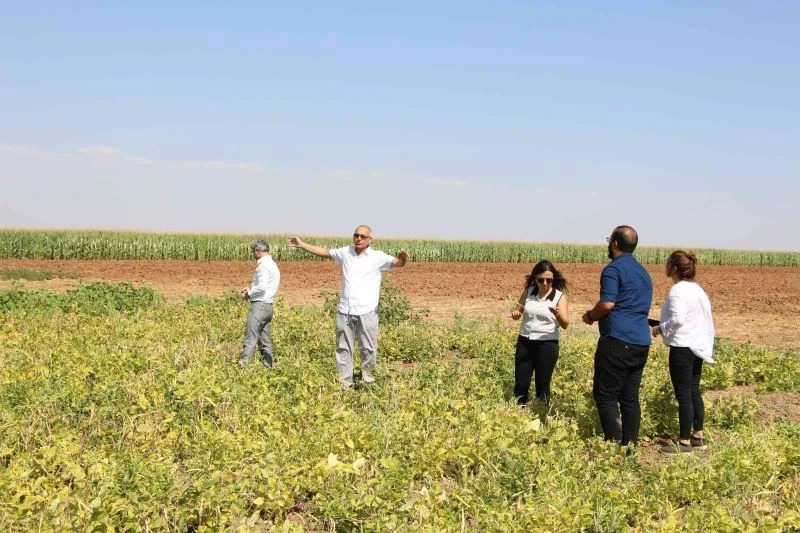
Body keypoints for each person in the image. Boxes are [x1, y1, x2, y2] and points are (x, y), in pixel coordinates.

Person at [287, 226, 409, 388]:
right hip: (345, 311)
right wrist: (302, 245)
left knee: (368, 348)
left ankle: (369, 382)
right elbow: (325, 252)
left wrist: (402, 259)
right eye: (356, 235)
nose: (358, 238)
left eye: (363, 236)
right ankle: (345, 384)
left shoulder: (377, 257)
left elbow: (398, 263)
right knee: (343, 349)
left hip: (367, 311)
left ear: (370, 239)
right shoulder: (345, 253)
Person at [582, 225, 653, 446]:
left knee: (605, 395)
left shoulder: (613, 270)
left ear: (614, 243)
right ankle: (630, 445)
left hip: (617, 340)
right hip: (641, 341)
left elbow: (608, 303)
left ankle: (613, 447)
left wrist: (591, 316)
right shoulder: (644, 273)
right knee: (629, 397)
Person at [652, 250, 715, 454]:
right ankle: (698, 436)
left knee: (684, 395)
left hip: (683, 347)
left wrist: (660, 328)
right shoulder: (698, 290)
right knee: (694, 390)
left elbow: (678, 319)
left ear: (674, 268)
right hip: (697, 345)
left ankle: (684, 442)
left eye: (668, 263)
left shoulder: (678, 290)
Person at [510, 260, 569, 405]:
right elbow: (517, 311)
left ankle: (540, 413)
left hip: (547, 344)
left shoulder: (559, 296)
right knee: (521, 383)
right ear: (535, 278)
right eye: (540, 280)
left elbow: (565, 324)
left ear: (553, 280)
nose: (544, 283)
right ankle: (519, 411)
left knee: (542, 385)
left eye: (549, 280)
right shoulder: (529, 292)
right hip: (525, 341)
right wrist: (516, 314)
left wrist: (557, 315)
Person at [239, 239, 281, 368]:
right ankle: (268, 366)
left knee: (250, 337)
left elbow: (262, 287)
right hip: (268, 306)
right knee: (264, 340)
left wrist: (249, 294)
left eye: (253, 252)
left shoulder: (263, 265)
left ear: (257, 251)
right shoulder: (273, 264)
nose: (253, 255)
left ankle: (243, 367)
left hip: (259, 306)